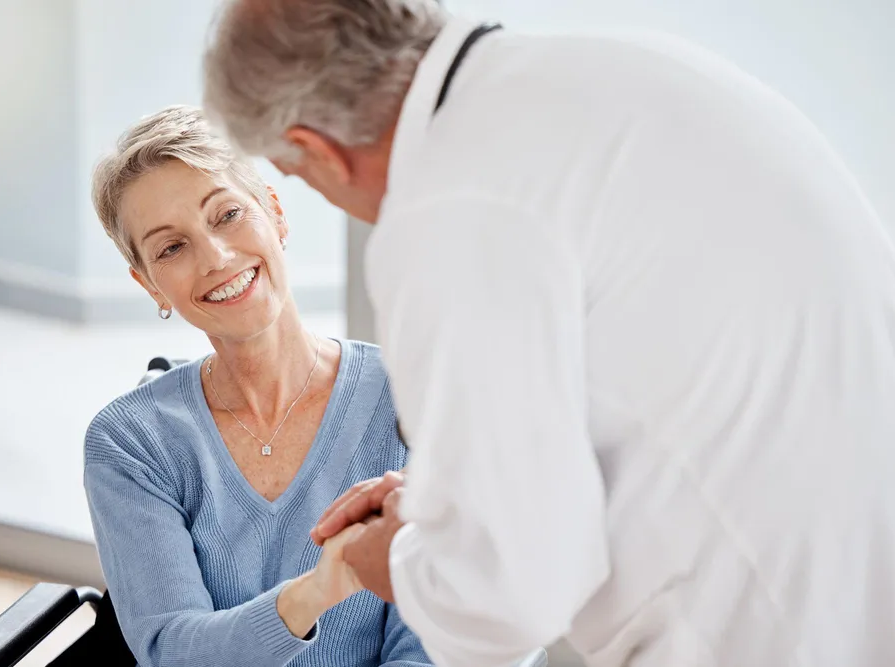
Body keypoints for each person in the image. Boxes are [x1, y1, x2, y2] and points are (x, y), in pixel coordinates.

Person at [202, 1, 895, 666]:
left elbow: (508, 599)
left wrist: (388, 559)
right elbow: (668, 373)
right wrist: (458, 493)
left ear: (315, 151)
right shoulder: (612, 74)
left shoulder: (448, 211)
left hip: (764, 625)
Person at [84, 105, 432, 667]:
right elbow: (172, 652)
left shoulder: (411, 396)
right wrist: (318, 589)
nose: (216, 257)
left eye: (226, 214)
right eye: (171, 248)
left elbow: (430, 648)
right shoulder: (129, 442)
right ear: (149, 283)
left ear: (274, 212)